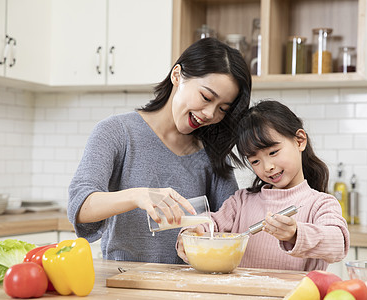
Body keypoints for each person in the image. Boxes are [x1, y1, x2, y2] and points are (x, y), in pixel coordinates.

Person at [67, 38, 252, 263]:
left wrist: (201, 234)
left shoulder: (211, 154)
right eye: (206, 97)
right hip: (124, 282)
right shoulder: (117, 131)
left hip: (187, 285)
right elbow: (80, 206)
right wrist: (138, 195)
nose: (210, 114)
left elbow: (231, 223)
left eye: (222, 108)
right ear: (177, 75)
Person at [177, 100, 349, 271]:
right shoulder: (241, 202)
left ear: (299, 141)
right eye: (255, 161)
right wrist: (192, 232)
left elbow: (338, 243)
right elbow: (211, 223)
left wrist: (295, 234)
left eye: (273, 152)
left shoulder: (320, 204)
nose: (267, 167)